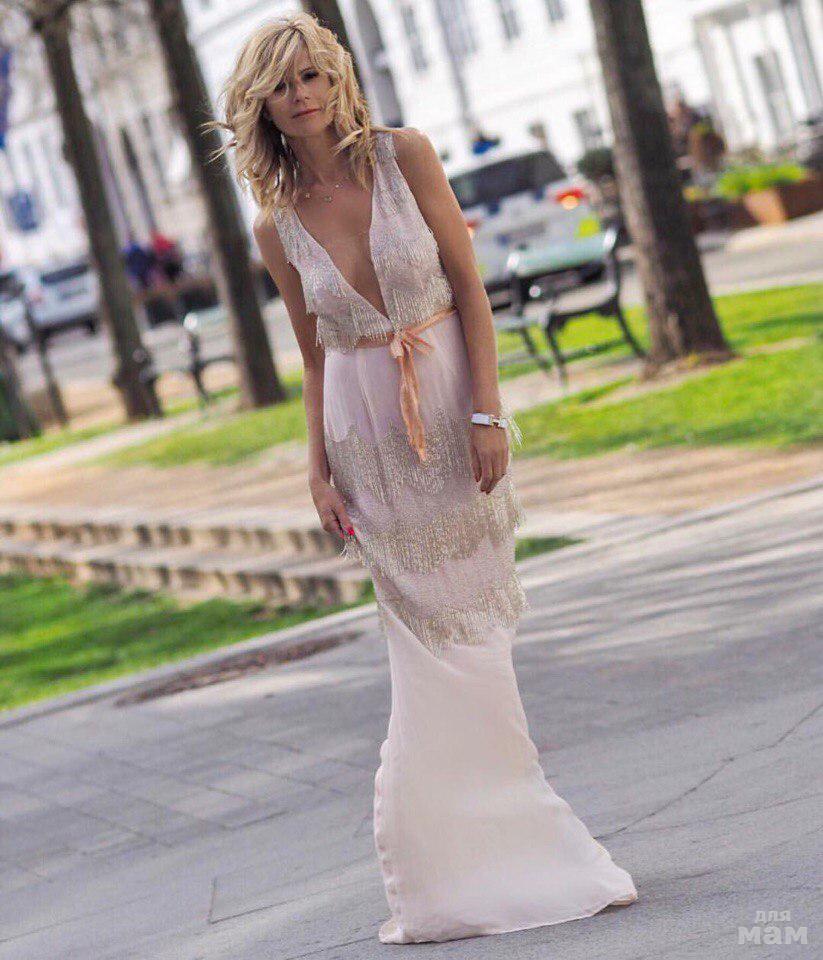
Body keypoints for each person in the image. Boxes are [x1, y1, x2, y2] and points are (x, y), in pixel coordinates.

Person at [215, 12, 637, 944]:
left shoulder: (405, 157)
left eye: (311, 73)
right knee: (424, 657)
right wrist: (316, 472)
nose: (302, 94)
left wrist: (487, 415)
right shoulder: (274, 225)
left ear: (336, 75)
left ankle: (509, 846)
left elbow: (470, 290)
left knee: (480, 643)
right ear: (261, 106)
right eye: (281, 85)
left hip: (448, 418)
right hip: (364, 443)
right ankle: (448, 872)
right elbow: (314, 357)